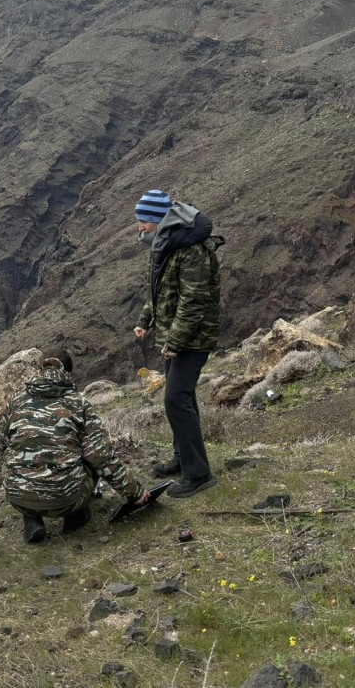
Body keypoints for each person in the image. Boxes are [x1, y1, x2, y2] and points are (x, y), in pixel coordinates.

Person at [2, 348, 149, 543]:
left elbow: (4, 440)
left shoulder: (16, 400)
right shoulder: (78, 403)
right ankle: (75, 517)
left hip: (17, 497)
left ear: (40, 372)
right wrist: (134, 493)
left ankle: (32, 519)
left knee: (25, 454)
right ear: (68, 374)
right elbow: (101, 456)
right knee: (90, 459)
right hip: (65, 500)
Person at [132, 189, 223, 498]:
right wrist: (146, 321)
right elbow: (160, 291)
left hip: (192, 337)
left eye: (143, 221)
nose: (140, 228)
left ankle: (199, 475)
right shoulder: (167, 244)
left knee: (175, 399)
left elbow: (193, 302)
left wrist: (174, 341)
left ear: (159, 220)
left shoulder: (191, 249)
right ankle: (183, 458)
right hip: (175, 334)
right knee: (181, 397)